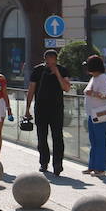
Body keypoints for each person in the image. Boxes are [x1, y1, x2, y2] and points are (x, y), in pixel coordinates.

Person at [24, 49, 70, 177]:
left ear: (56, 60)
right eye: (48, 63)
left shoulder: (62, 70)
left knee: (58, 137)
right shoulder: (38, 70)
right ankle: (44, 162)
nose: (50, 65)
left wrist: (57, 73)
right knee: (41, 137)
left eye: (52, 62)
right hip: (41, 108)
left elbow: (66, 88)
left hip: (56, 109)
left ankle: (57, 165)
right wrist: (27, 108)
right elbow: (31, 89)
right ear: (45, 60)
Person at [82, 54, 106, 176]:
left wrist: (93, 93)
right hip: (92, 112)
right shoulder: (94, 78)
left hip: (100, 112)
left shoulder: (103, 78)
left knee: (99, 141)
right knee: (94, 141)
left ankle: (100, 168)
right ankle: (92, 166)